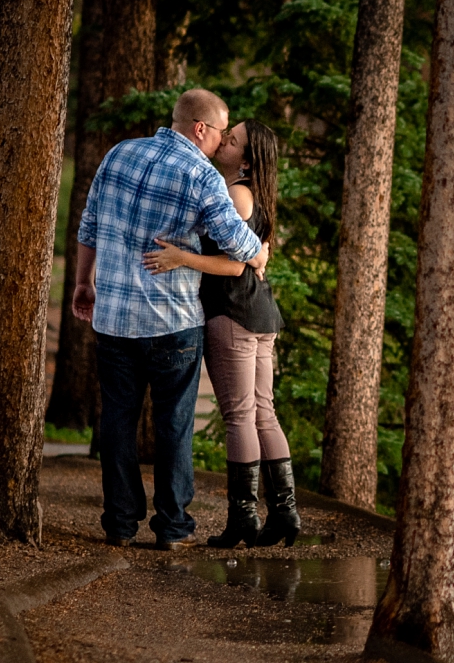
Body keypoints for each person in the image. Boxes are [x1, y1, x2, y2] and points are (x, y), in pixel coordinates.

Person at [72, 89, 264, 549]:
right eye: (221, 132)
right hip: (171, 322)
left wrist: (84, 283)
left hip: (113, 319)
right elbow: (236, 241)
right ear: (201, 128)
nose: (222, 143)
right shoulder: (201, 174)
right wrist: (259, 252)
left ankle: (119, 524)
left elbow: (90, 224)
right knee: (173, 426)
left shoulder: (120, 153)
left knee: (117, 421)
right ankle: (173, 528)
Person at [140, 119, 298, 549]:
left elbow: (233, 264)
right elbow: (253, 254)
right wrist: (256, 256)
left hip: (234, 311)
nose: (223, 141)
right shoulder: (254, 193)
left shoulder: (236, 193)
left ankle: (244, 518)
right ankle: (285, 513)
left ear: (246, 160)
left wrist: (180, 257)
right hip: (260, 312)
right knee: (264, 413)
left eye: (232, 141)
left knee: (240, 416)